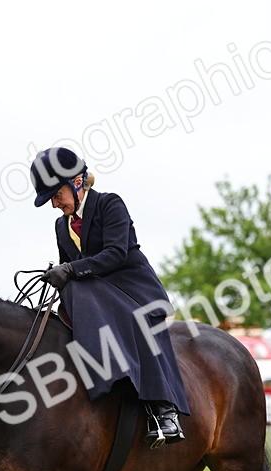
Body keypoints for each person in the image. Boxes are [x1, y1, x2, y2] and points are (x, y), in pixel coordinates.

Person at [30, 146, 189, 446]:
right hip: (94, 296)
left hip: (131, 289)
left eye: (56, 195)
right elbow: (70, 266)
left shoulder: (109, 204)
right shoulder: (61, 225)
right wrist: (59, 274)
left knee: (127, 318)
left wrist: (71, 270)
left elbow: (116, 253)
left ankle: (165, 410)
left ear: (77, 183)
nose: (54, 204)